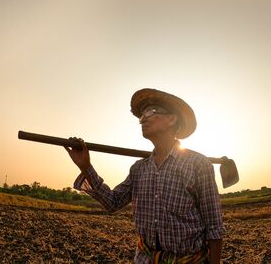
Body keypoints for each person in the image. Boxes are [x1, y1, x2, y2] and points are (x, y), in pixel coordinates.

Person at [65, 88, 225, 263]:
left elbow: (214, 226)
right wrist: (86, 167)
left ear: (172, 119)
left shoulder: (198, 164)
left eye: (150, 111)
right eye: (141, 116)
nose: (143, 119)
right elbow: (113, 202)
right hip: (145, 259)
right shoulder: (139, 169)